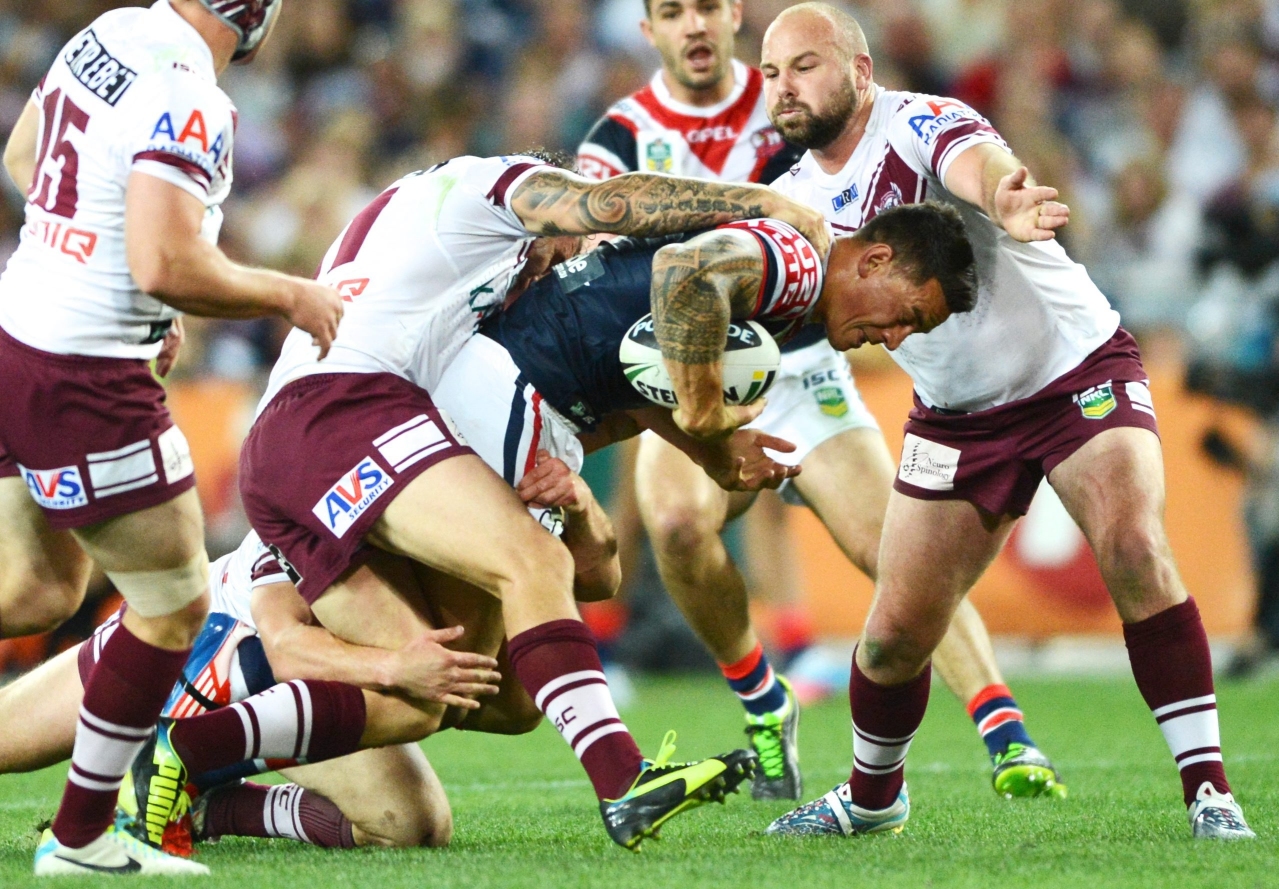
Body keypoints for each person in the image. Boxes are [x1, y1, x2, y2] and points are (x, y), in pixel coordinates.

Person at [137, 153, 829, 853]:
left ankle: (188, 754)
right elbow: (612, 203)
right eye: (568, 248)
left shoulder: (465, 289)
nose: (565, 268)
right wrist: (755, 203)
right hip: (340, 411)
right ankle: (624, 782)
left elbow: (600, 553)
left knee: (455, 689)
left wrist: (706, 450)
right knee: (527, 560)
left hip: (318, 432)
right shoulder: (489, 185)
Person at [753, 3, 1254, 840]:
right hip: (955, 418)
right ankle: (874, 802)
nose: (784, 87)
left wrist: (1006, 196)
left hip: (1072, 372)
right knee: (889, 642)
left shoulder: (919, 121)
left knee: (1133, 545)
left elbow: (978, 165)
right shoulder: (787, 200)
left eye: (803, 65)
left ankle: (1209, 790)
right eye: (770, 73)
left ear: (860, 69)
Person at [578, 0, 1066, 803]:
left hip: (804, 365)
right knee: (671, 525)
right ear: (650, 32)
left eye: (706, 8)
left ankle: (1003, 727)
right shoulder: (621, 137)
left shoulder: (794, 105)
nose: (693, 26)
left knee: (894, 552)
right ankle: (763, 699)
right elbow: (595, 240)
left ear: (733, 16)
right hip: (699, 375)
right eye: (671, 12)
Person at [0, 0, 348, 875]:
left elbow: (23, 158)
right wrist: (289, 294)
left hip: (19, 329)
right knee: (175, 604)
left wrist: (111, 275)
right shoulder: (190, 91)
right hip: (83, 372)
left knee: (34, 588)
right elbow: (166, 262)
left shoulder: (111, 32)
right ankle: (80, 838)